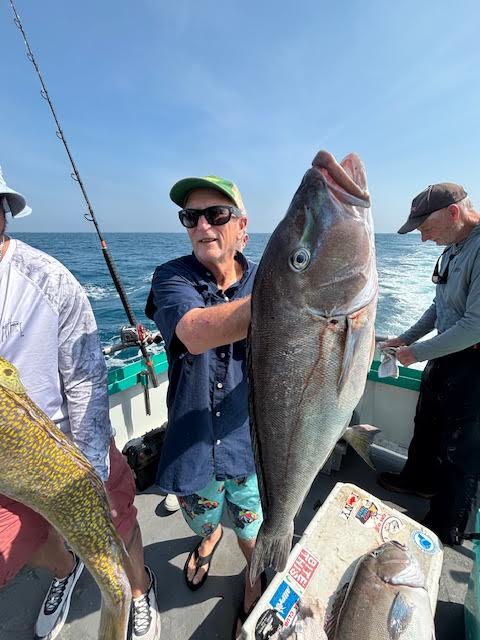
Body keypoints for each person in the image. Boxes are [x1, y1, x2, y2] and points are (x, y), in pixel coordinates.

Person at [0, 167, 161, 640]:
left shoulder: (48, 279)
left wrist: (90, 475)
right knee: (17, 547)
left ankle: (135, 590)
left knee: (117, 524)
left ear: (4, 212)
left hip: (67, 446)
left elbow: (87, 380)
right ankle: (65, 570)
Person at [146, 174, 265, 637]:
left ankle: (254, 580)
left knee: (252, 528)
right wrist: (290, 298)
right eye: (190, 217)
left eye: (216, 214)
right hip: (193, 442)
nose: (202, 226)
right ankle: (210, 536)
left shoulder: (266, 279)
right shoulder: (171, 276)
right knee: (202, 515)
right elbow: (194, 333)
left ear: (241, 227)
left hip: (250, 441)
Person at [377, 182, 480, 545]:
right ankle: (418, 481)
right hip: (444, 356)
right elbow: (439, 306)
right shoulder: (453, 248)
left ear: (453, 213)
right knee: (427, 424)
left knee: (459, 450)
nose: (423, 239)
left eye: (426, 228)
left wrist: (416, 354)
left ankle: (445, 527)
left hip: (473, 367)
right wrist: (406, 339)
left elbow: (475, 325)